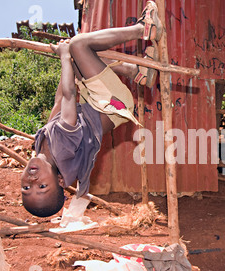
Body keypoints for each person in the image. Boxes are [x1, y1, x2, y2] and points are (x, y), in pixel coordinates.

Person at [21, 1, 162, 217]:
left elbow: (59, 102)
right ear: (60, 181)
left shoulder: (43, 149)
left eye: (26, 188)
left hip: (98, 104)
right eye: (42, 187)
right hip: (112, 104)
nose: (33, 181)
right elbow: (69, 95)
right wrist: (65, 55)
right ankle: (145, 28)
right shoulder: (61, 149)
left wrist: (67, 58)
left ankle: (138, 72)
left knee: (80, 58)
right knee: (79, 46)